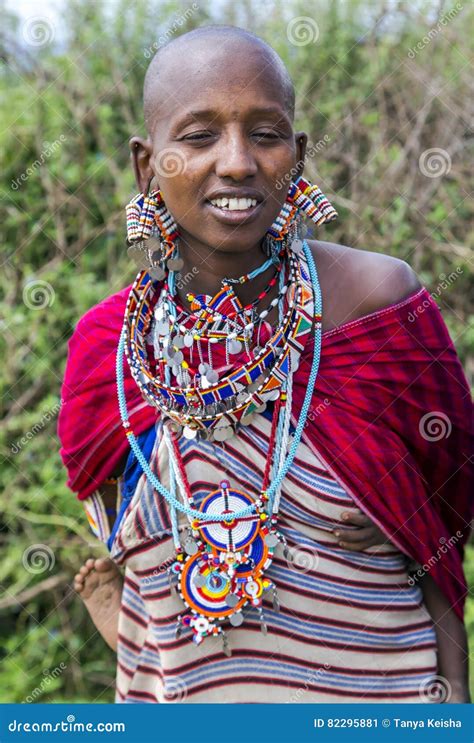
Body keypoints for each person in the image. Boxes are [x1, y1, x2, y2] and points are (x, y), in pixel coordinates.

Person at [58, 26, 473, 703]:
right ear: (146, 165)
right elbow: (125, 527)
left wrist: (455, 693)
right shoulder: (109, 350)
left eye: (266, 133)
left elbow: (445, 515)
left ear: (298, 154)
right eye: (197, 137)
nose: (238, 162)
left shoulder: (374, 306)